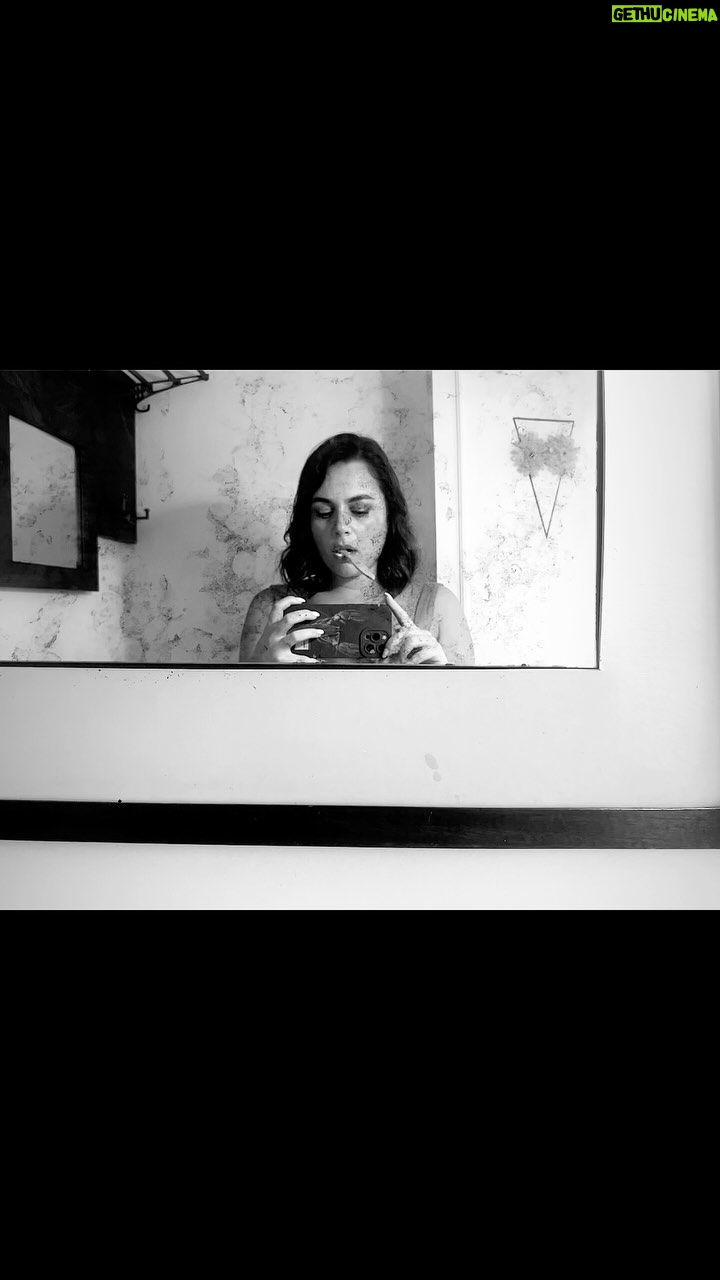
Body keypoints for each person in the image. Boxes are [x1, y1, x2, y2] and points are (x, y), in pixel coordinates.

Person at [239, 434, 476, 666]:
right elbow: (242, 693)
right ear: (308, 522)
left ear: (390, 514)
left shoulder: (437, 607)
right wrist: (263, 669)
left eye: (360, 510)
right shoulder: (271, 609)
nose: (341, 527)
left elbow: (472, 694)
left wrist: (442, 675)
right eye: (324, 513)